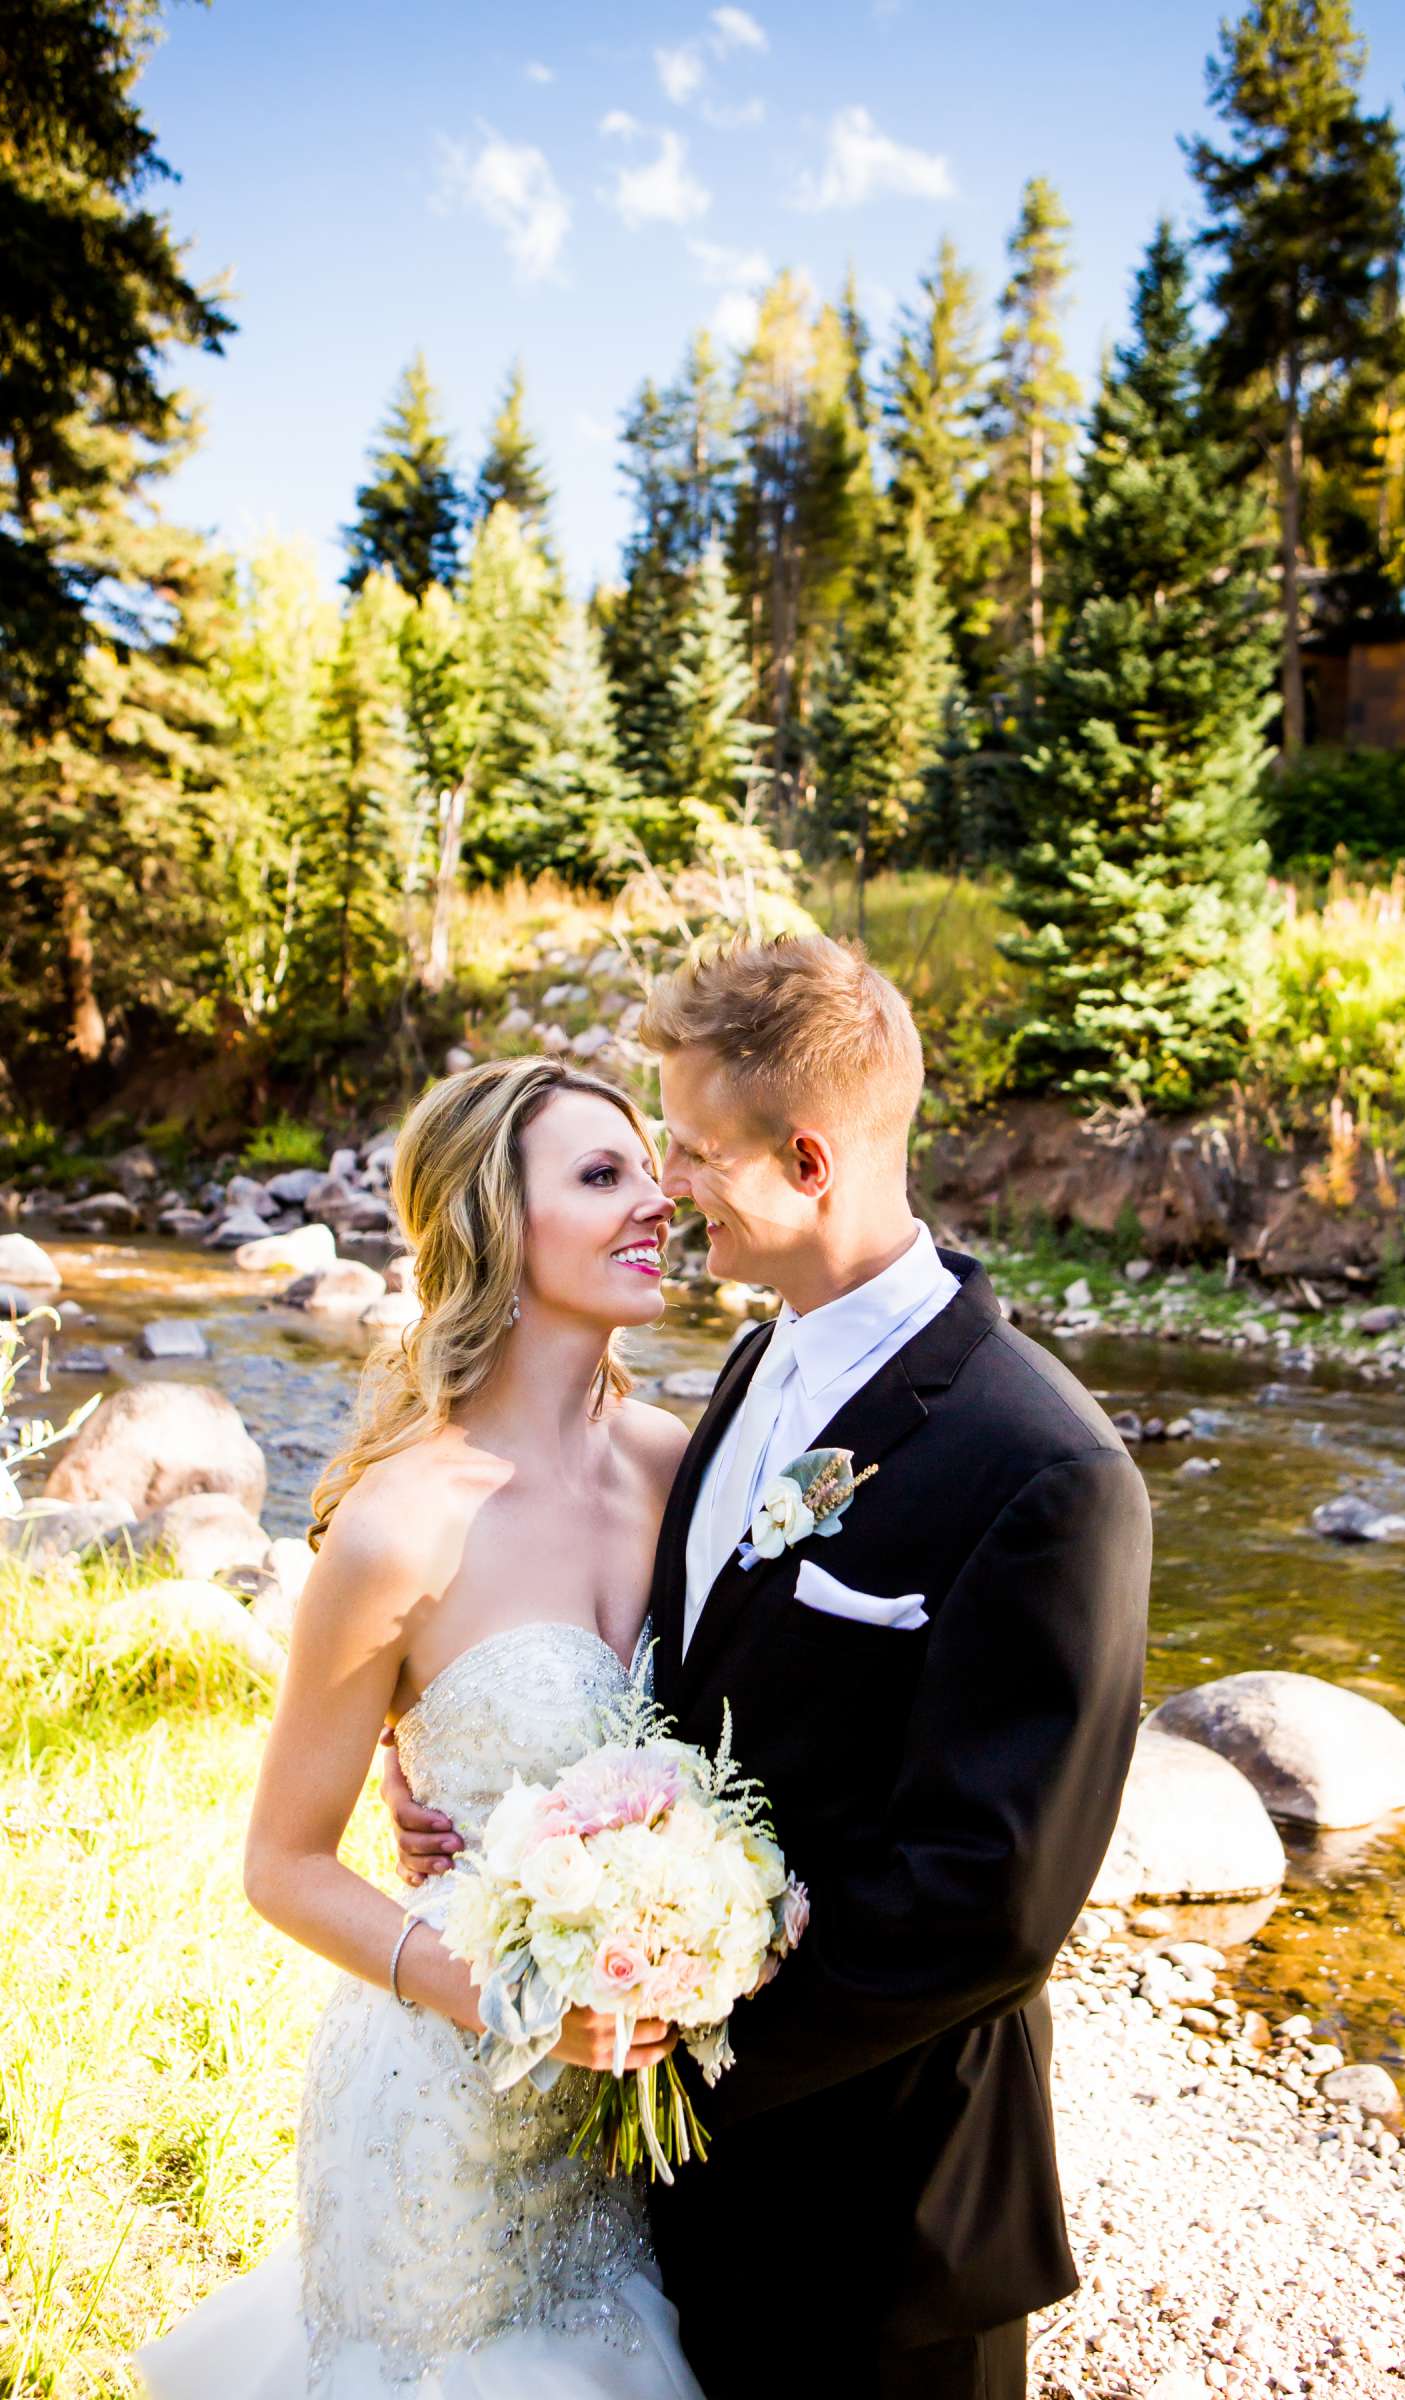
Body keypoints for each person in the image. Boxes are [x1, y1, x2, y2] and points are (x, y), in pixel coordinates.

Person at [389, 935, 1152, 2400]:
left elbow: (985, 1904)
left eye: (688, 1151)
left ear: (809, 1162)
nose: (665, 1185)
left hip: (882, 2226)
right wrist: (492, 1830)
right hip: (671, 2201)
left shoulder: (1045, 1471)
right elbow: (688, 1679)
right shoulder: (758, 1370)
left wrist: (677, 2045)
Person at [137, 1057, 705, 2399]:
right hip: (444, 2126)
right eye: (602, 1175)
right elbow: (282, 1864)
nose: (658, 1201)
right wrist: (497, 1992)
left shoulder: (682, 1462)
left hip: (628, 2134)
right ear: (495, 1226)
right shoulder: (405, 1526)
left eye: (651, 1169)